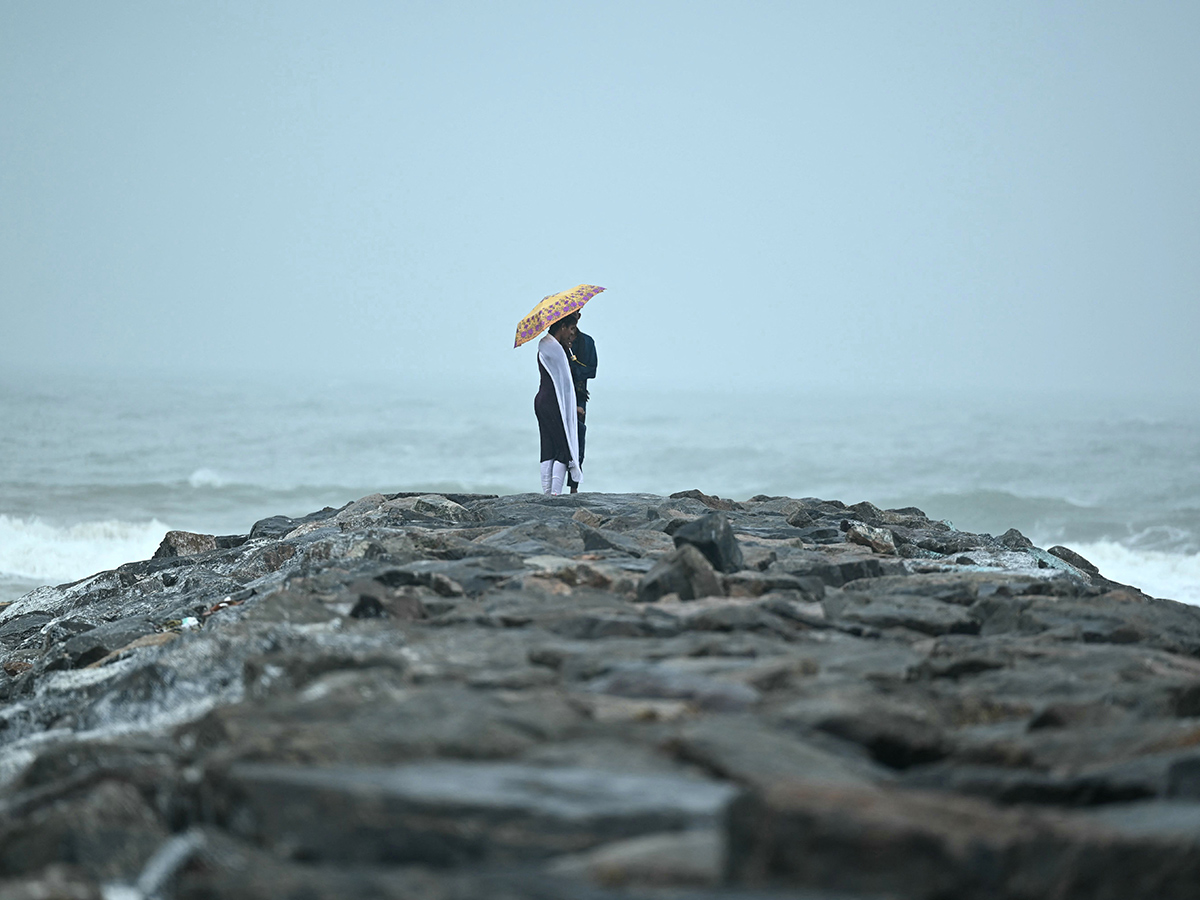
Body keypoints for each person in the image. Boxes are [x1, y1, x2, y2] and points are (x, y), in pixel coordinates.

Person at [535, 313, 583, 495]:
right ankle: (555, 494)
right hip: (553, 401)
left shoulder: (545, 345)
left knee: (548, 447)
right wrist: (572, 408)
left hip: (542, 399)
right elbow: (565, 385)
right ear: (562, 327)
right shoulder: (555, 348)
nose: (572, 334)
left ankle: (547, 492)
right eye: (571, 329)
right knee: (563, 449)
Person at [567, 321, 597, 494]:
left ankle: (574, 486)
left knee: (578, 439)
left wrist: (573, 367)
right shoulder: (558, 343)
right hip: (558, 395)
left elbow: (592, 371)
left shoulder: (587, 342)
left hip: (579, 396)